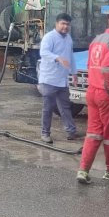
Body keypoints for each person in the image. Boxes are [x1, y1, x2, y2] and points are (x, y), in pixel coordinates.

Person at [76, 7, 109, 184]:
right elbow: (108, 69)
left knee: (93, 133)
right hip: (107, 95)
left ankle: (83, 171)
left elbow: (90, 65)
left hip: (92, 91)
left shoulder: (97, 40)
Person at [38, 13, 80, 143]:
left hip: (62, 80)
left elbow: (71, 57)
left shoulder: (68, 39)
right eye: (62, 23)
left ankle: (71, 131)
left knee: (65, 107)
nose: (65, 27)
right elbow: (43, 52)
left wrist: (74, 74)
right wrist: (58, 58)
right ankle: (45, 133)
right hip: (49, 79)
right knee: (48, 108)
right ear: (56, 24)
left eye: (67, 24)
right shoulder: (49, 37)